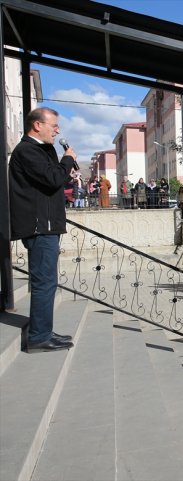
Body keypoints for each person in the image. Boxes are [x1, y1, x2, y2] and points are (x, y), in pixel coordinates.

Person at [9, 107, 76, 352]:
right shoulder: (27, 150)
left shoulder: (40, 150)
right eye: (54, 125)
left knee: (48, 281)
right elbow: (52, 179)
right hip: (39, 228)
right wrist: (67, 159)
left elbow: (53, 182)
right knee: (44, 282)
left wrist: (65, 167)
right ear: (37, 125)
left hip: (46, 226)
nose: (57, 131)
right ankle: (38, 337)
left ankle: (43, 330)